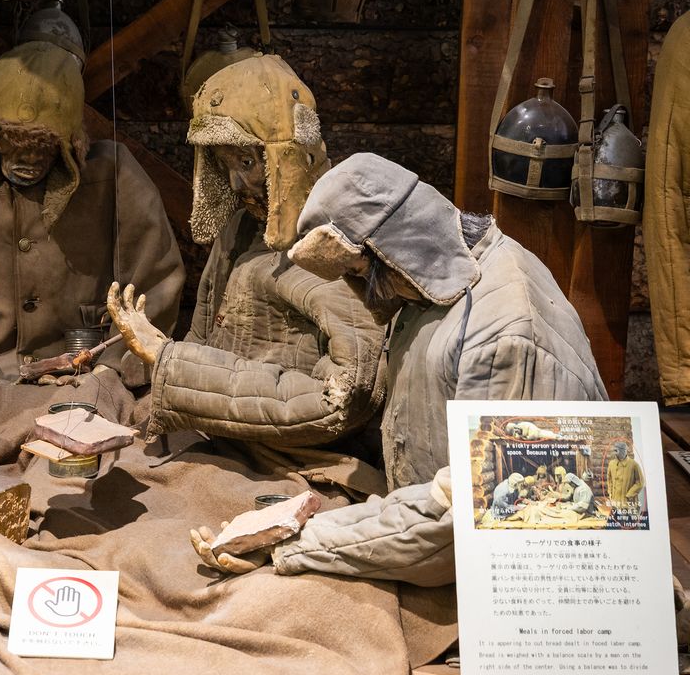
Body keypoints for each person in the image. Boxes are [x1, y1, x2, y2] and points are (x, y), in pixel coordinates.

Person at [204, 153, 607, 580]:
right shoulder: (438, 286)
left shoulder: (507, 338)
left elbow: (471, 523)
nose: (360, 292)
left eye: (358, 272)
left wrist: (299, 542)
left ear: (397, 248)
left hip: (516, 578)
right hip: (425, 521)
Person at [106, 54, 386, 475]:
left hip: (297, 466)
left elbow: (345, 397)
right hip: (217, 442)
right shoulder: (240, 228)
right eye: (223, 163)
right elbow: (203, 338)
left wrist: (170, 361)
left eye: (248, 162)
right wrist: (165, 371)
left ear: (287, 155)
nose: (236, 183)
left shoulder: (338, 243)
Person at [0, 40, 185, 396]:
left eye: (43, 148)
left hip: (89, 378)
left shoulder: (114, 175)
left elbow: (155, 281)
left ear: (71, 142)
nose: (26, 160)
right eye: (11, 143)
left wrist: (113, 370)